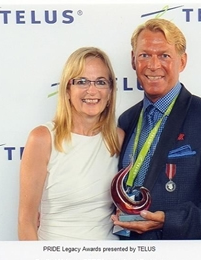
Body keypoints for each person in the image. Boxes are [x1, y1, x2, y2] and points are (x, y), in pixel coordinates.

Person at [112, 18, 201, 240]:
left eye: (164, 55)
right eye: (145, 55)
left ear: (182, 62)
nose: (153, 65)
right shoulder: (127, 120)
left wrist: (167, 219)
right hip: (128, 257)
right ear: (133, 60)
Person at [18, 47, 123, 240]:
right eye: (81, 81)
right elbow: (26, 221)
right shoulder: (42, 139)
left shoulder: (118, 139)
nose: (92, 90)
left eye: (100, 82)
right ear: (68, 89)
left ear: (110, 92)